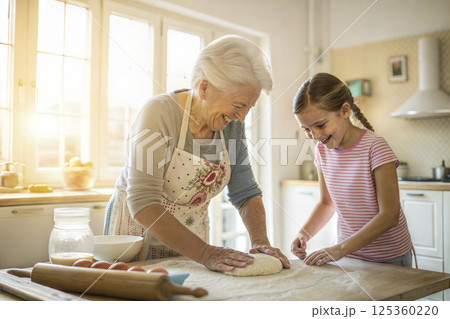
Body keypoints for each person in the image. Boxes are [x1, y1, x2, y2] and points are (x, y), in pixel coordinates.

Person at [104, 35, 289, 272]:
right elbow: (143, 202)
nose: (242, 117)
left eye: (248, 108)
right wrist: (206, 253)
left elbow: (245, 191)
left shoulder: (231, 125)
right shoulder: (158, 114)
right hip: (136, 242)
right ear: (204, 88)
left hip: (192, 246)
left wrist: (261, 243)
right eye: (238, 105)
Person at [291, 72, 412, 267]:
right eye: (306, 129)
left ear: (344, 110)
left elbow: (389, 215)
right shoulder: (322, 151)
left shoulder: (375, 147)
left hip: (388, 257)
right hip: (349, 255)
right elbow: (326, 203)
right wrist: (303, 234)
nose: (314, 135)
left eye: (320, 125)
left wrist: (340, 249)